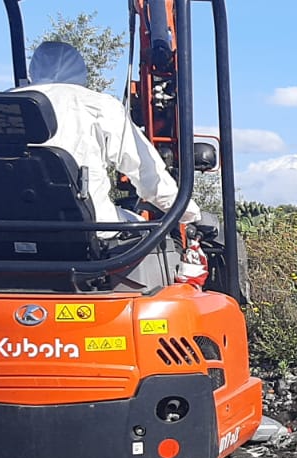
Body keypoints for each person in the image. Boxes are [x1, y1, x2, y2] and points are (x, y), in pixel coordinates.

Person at [18, 41, 206, 285]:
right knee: (148, 232)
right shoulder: (97, 106)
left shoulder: (1, 106)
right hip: (85, 230)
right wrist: (189, 213)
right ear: (79, 70)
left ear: (33, 69)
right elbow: (146, 173)